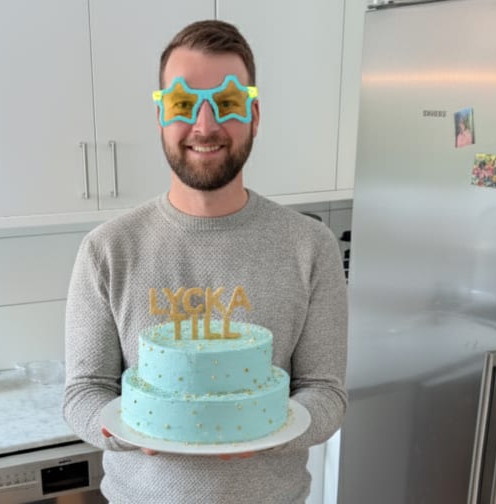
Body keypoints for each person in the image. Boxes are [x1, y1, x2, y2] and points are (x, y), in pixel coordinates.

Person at [63, 19, 347, 503]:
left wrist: (261, 428)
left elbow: (326, 392)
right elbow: (83, 392)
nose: (205, 124)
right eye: (183, 104)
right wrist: (137, 432)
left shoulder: (310, 245)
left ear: (254, 115)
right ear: (160, 117)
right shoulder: (107, 250)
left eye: (228, 102)